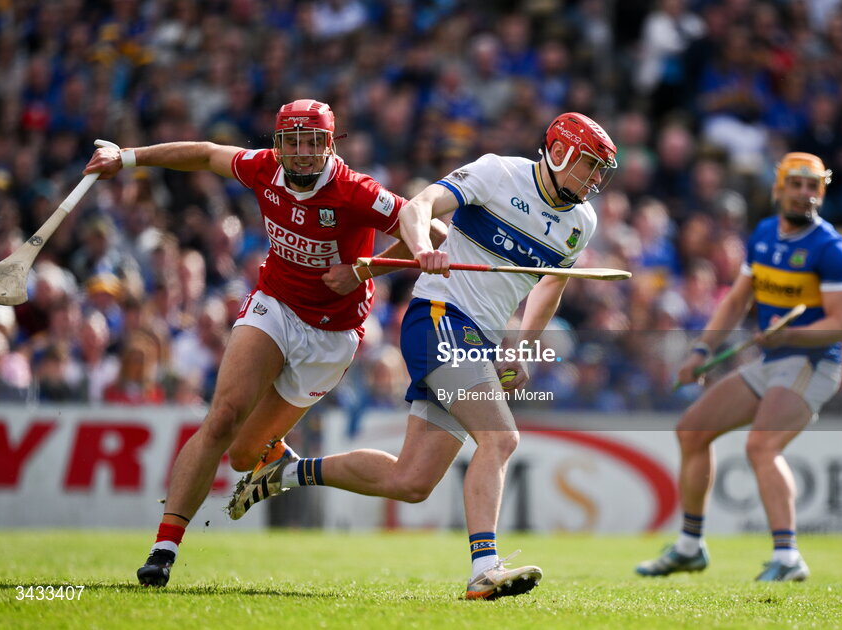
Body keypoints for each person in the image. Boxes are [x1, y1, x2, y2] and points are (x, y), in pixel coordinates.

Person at [227, 112, 619, 600]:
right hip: (438, 316)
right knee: (500, 438)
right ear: (559, 153)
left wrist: (521, 346)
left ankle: (286, 472)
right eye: (588, 165)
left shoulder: (581, 221)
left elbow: (553, 282)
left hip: (479, 339)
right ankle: (484, 568)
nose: (595, 179)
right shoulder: (499, 173)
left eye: (601, 170)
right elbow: (418, 207)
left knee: (410, 480)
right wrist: (421, 245)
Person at [83, 99, 446, 587]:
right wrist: (128, 157)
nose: (300, 153)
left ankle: (280, 462)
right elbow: (206, 153)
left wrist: (370, 267)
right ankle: (164, 549)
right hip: (274, 304)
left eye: (312, 143)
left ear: (329, 146)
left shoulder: (356, 191)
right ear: (278, 144)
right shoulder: (263, 168)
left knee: (242, 455)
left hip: (333, 335)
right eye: (291, 142)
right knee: (223, 416)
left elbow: (434, 228)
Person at [636, 152, 842, 582]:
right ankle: (689, 547)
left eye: (812, 186)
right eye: (795, 184)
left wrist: (789, 335)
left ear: (822, 192)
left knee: (761, 446)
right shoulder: (761, 235)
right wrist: (702, 350)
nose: (803, 193)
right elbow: (737, 300)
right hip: (773, 358)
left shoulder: (831, 248)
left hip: (814, 362)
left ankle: (789, 558)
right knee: (691, 431)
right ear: (779, 188)